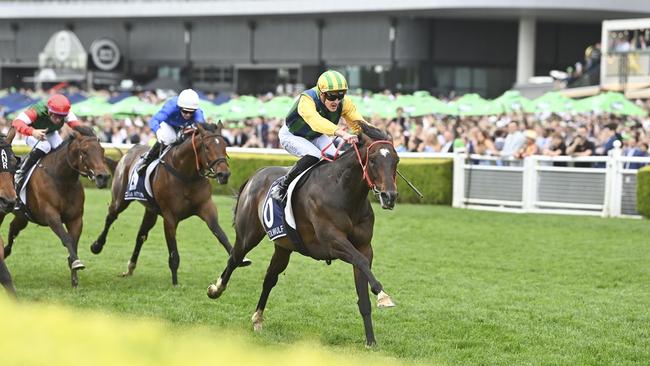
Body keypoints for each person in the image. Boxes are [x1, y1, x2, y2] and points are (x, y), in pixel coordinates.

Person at [270, 69, 367, 205]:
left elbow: (358, 123)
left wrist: (375, 137)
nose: (336, 101)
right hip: (292, 135)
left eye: (340, 96)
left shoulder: (344, 103)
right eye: (331, 96)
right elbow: (316, 122)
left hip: (314, 135)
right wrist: (343, 133)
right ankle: (282, 186)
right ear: (321, 94)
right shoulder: (307, 100)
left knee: (336, 156)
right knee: (314, 155)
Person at [12, 94, 81, 195]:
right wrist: (32, 132)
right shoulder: (36, 111)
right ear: (49, 110)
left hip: (51, 133)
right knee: (45, 146)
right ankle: (20, 172)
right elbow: (16, 122)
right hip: (31, 133)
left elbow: (79, 127)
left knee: (62, 149)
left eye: (61, 117)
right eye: (56, 115)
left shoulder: (65, 113)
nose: (58, 119)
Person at [135, 89, 205, 173]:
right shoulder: (171, 107)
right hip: (168, 124)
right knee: (169, 138)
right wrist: (157, 131)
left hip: (184, 127)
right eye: (185, 111)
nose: (188, 115)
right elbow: (154, 120)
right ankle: (146, 159)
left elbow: (203, 129)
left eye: (191, 112)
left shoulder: (198, 113)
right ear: (179, 107)